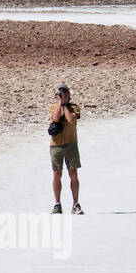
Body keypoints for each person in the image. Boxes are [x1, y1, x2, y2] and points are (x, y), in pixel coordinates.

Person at [48, 85, 83, 214]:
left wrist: (65, 105)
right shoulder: (53, 107)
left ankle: (75, 204)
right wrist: (59, 103)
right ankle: (57, 204)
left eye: (65, 93)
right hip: (56, 144)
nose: (63, 96)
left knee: (73, 173)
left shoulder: (74, 107)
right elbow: (55, 118)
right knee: (57, 174)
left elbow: (70, 119)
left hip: (70, 144)